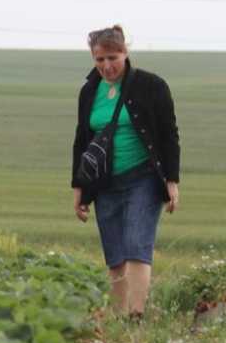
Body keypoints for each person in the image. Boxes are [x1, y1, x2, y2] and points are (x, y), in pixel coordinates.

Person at [71, 25, 180, 318]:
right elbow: (82, 140)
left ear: (125, 52)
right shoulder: (89, 91)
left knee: (136, 244)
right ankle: (119, 315)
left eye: (112, 57)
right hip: (104, 181)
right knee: (115, 252)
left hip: (143, 176)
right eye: (99, 60)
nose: (107, 66)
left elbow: (169, 135)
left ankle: (136, 315)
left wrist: (172, 181)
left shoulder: (151, 86)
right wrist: (79, 189)